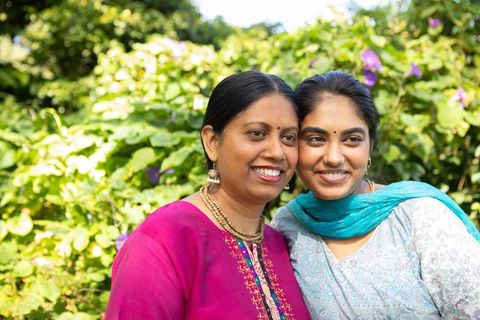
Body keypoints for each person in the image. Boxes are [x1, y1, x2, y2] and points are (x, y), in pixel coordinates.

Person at [272, 71, 480, 319]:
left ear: (370, 145)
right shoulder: (286, 227)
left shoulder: (419, 217)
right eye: (316, 139)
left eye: (352, 139)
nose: (334, 157)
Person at [106, 71, 311, 319]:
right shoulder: (164, 240)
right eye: (257, 133)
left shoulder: (280, 245)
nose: (277, 152)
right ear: (212, 142)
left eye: (289, 138)